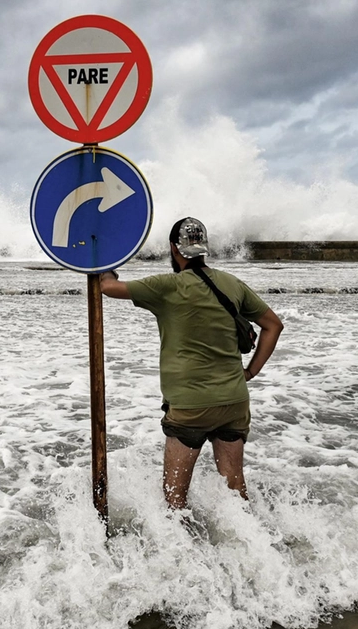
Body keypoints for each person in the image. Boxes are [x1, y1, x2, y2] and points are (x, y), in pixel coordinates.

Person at [98, 217, 283, 509]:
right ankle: (250, 547)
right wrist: (250, 372)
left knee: (174, 498)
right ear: (203, 249)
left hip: (190, 407)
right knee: (235, 490)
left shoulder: (167, 286)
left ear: (174, 248)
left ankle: (183, 553)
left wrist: (102, 258)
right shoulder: (231, 283)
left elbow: (108, 287)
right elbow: (273, 325)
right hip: (234, 401)